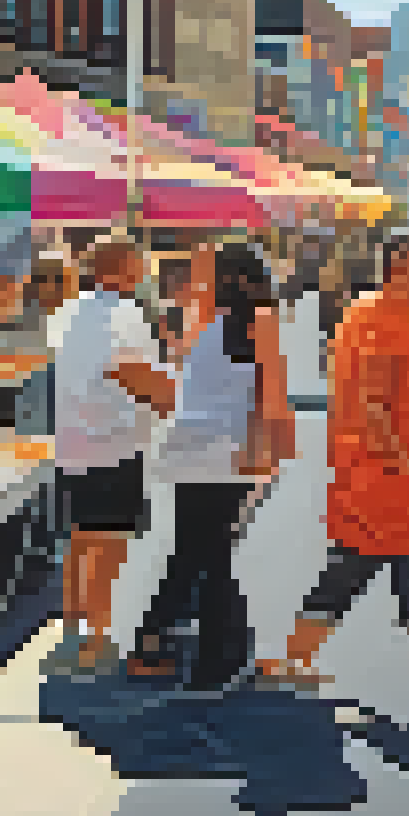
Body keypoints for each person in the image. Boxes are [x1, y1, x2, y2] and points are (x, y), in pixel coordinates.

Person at [255, 235, 409, 697]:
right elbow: (371, 404)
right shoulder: (381, 322)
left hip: (384, 469)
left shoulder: (383, 316)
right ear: (402, 268)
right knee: (362, 565)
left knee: (400, 565)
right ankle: (297, 658)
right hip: (383, 472)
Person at [128, 241, 289, 690]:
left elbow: (192, 379)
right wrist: (268, 454)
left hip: (188, 447)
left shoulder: (206, 319)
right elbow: (271, 395)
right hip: (225, 449)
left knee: (194, 549)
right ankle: (217, 660)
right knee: (213, 554)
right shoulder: (259, 320)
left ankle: (156, 641)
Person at [45, 238, 178, 674]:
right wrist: (176, 403)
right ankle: (97, 639)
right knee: (109, 543)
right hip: (114, 442)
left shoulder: (67, 312)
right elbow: (135, 374)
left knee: (82, 538)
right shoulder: (124, 314)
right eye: (140, 263)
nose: (146, 270)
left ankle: (75, 625)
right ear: (122, 268)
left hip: (73, 440)